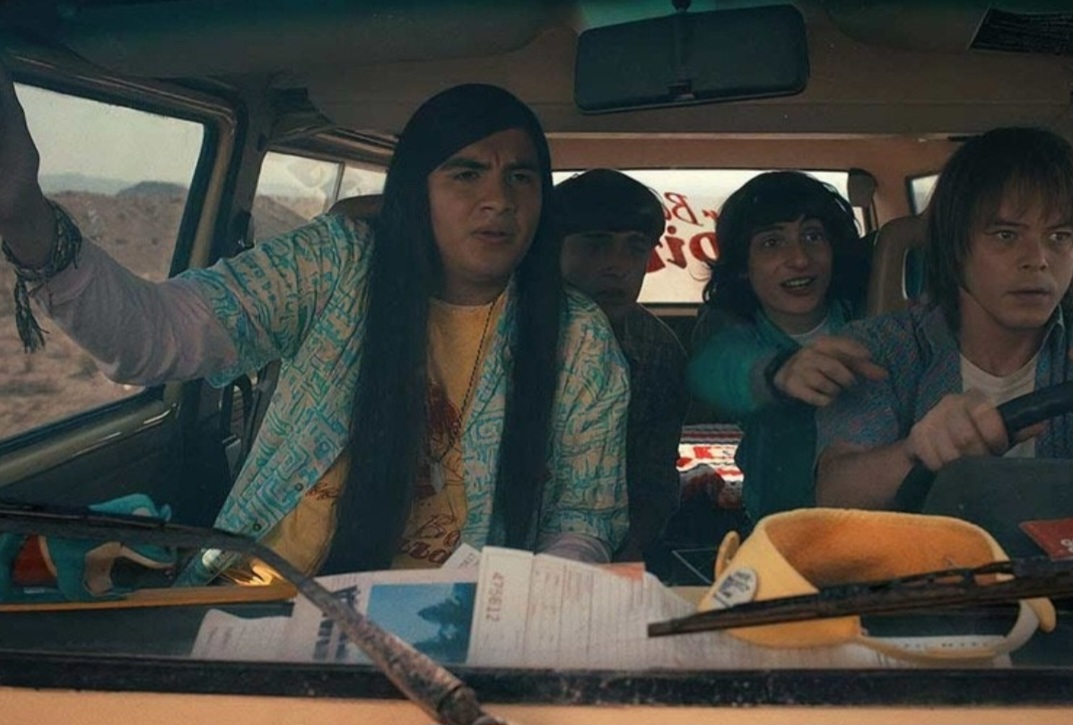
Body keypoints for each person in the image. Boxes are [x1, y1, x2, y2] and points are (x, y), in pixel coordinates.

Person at [0, 65, 630, 585]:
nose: (499, 200)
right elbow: (152, 336)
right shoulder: (336, 264)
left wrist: (527, 607)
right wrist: (25, 215)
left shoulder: (578, 340)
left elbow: (583, 517)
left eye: (521, 177)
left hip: (443, 626)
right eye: (467, 174)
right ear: (416, 192)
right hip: (253, 592)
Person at [815, 126, 1073, 511]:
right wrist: (915, 451)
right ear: (955, 247)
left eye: (1059, 236)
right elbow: (835, 493)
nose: (1037, 260)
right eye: (1006, 235)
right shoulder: (882, 349)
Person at [686, 171, 883, 523]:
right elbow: (715, 369)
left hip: (878, 519)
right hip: (781, 523)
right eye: (772, 243)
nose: (800, 259)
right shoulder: (732, 329)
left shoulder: (876, 317)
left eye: (812, 236)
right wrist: (780, 373)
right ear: (743, 266)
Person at [554, 168, 687, 562]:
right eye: (596, 244)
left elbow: (653, 479)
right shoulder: (506, 328)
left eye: (635, 248)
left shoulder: (658, 349)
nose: (617, 265)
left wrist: (630, 553)